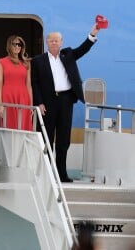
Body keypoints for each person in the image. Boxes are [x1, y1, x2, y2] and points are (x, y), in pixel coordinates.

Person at [31, 24, 100, 182]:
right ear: (46, 43)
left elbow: (83, 49)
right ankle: (46, 174)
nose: (54, 43)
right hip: (47, 103)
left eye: (57, 40)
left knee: (63, 139)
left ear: (61, 42)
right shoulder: (37, 61)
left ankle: (61, 174)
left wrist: (92, 34)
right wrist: (39, 103)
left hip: (65, 100)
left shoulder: (68, 54)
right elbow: (35, 83)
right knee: (46, 137)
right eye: (51, 40)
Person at [0, 35, 33, 130]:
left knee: (23, 127)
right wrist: (0, 105)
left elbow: (29, 85)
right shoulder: (2, 62)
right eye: (14, 44)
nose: (17, 46)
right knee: (9, 125)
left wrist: (31, 106)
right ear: (9, 46)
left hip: (23, 98)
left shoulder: (26, 63)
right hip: (8, 98)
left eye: (19, 44)